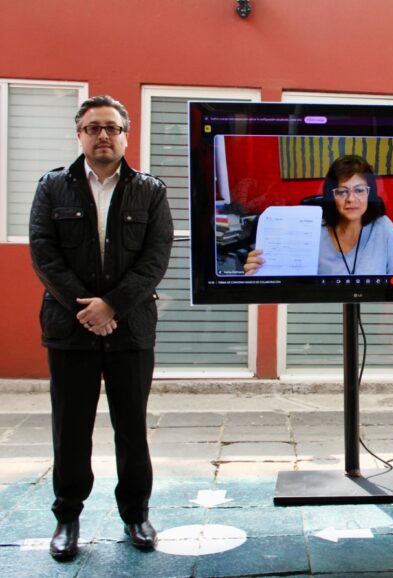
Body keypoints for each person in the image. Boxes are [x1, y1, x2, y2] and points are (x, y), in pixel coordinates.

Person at [29, 95, 173, 560]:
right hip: (70, 330)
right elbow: (44, 254)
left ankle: (136, 515)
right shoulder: (52, 188)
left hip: (130, 330)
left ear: (126, 136)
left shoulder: (151, 191)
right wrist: (89, 310)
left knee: (132, 428)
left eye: (111, 127)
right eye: (93, 128)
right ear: (80, 135)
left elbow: (155, 260)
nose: (103, 135)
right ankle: (67, 518)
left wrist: (111, 306)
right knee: (71, 429)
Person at [243, 155, 393, 275]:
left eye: (359, 190)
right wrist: (258, 272)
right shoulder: (311, 230)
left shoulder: (383, 226)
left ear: (369, 194)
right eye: (342, 192)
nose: (351, 199)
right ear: (331, 196)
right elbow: (290, 285)